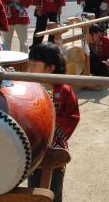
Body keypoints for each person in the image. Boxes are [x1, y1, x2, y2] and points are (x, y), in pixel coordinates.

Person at [27, 42, 80, 202]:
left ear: (50, 68)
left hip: (55, 147)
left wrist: (52, 126)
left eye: (34, 64)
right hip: (34, 145)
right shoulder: (29, 86)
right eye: (30, 63)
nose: (30, 68)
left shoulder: (64, 90)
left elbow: (72, 116)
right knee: (34, 186)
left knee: (54, 188)